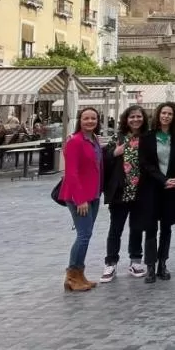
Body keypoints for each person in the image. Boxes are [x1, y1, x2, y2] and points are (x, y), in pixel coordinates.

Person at [138, 103, 175, 284]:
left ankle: (162, 264)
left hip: (171, 187)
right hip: (152, 187)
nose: (166, 116)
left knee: (166, 227)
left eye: (170, 114)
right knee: (151, 227)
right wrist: (162, 179)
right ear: (158, 115)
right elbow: (145, 163)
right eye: (163, 113)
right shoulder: (147, 137)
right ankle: (150, 265)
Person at [100, 105, 148, 283]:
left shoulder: (146, 138)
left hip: (140, 190)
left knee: (137, 227)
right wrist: (114, 152)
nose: (136, 119)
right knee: (116, 228)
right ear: (126, 119)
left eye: (139, 116)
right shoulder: (117, 137)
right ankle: (110, 262)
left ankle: (135, 260)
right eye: (132, 117)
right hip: (120, 190)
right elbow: (103, 159)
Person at [59, 107, 104, 292]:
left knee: (86, 234)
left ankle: (79, 274)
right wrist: (80, 199)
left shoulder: (94, 140)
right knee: (83, 235)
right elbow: (71, 173)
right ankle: (71, 276)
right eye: (86, 118)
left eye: (93, 118)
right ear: (80, 120)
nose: (90, 121)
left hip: (93, 194)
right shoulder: (75, 142)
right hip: (80, 196)